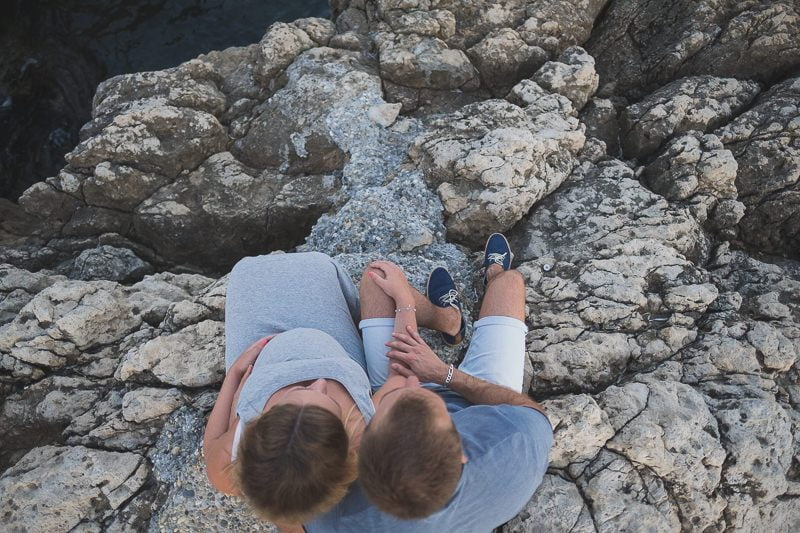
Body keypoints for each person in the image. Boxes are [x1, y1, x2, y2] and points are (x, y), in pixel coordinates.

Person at [306, 233, 554, 532]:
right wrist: (442, 374)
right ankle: (491, 278)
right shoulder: (515, 444)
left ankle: (448, 320)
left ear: (359, 449)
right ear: (462, 453)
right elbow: (530, 409)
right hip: (473, 395)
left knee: (376, 279)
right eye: (425, 398)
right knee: (509, 284)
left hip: (409, 389)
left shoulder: (335, 518)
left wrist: (404, 305)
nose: (414, 381)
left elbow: (285, 515)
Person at [202, 252, 375, 530]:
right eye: (328, 398)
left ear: (258, 424)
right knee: (319, 269)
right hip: (322, 317)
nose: (318, 382)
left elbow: (211, 446)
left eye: (296, 391)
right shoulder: (363, 439)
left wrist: (233, 376)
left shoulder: (232, 461)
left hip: (261, 328)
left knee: (248, 271)